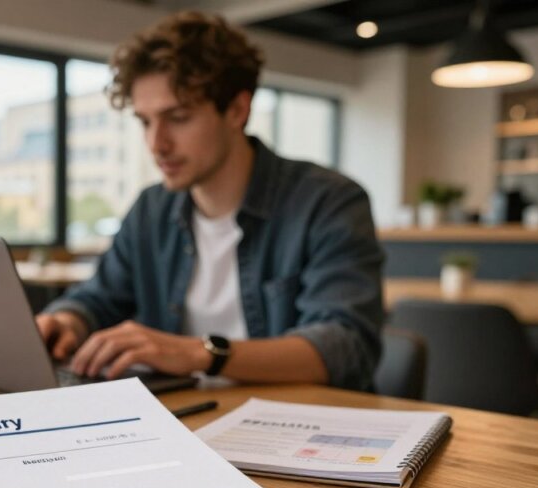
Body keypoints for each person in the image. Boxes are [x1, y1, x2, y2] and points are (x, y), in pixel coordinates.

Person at [36, 11, 384, 391]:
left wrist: (202, 354)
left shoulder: (328, 201)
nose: (156, 144)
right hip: (186, 419)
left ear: (237, 110)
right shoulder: (152, 210)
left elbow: (346, 346)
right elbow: (99, 298)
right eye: (145, 121)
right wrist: (66, 320)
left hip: (299, 427)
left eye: (178, 117)